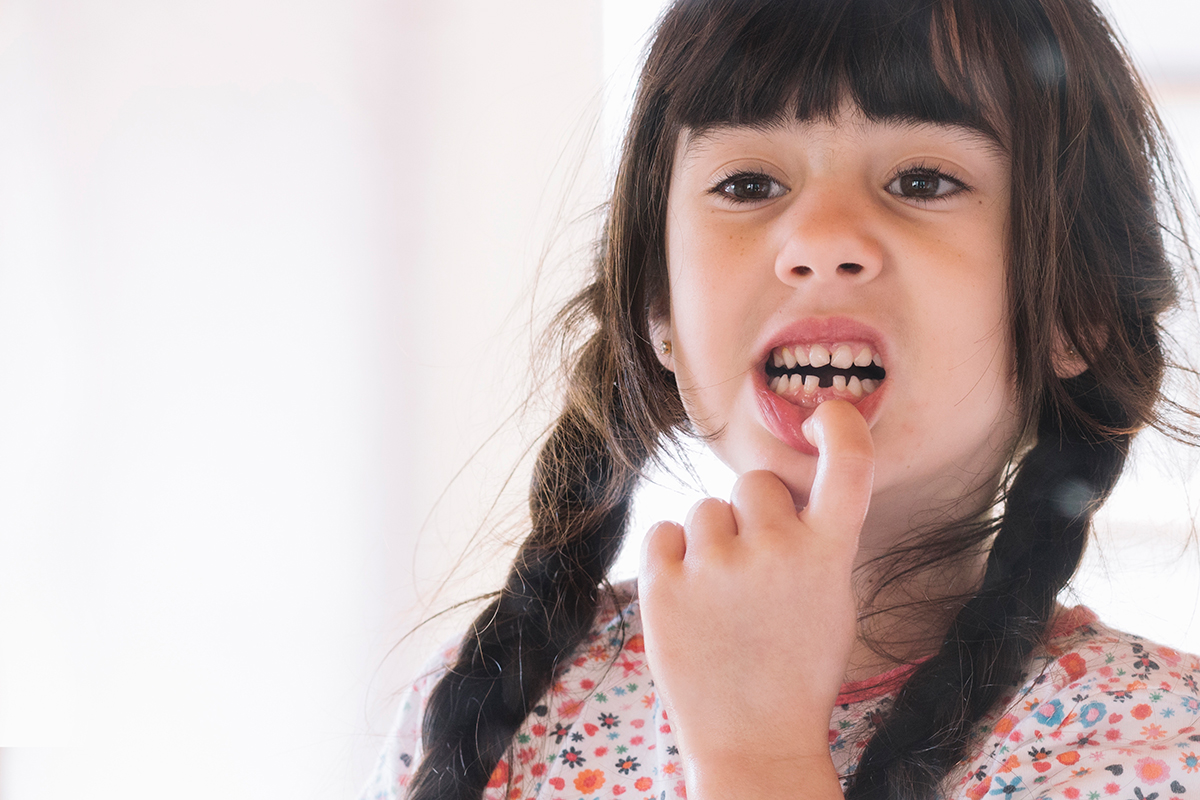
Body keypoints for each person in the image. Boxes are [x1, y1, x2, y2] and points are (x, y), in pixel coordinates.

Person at [360, 0, 1200, 798]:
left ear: (1074, 309)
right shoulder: (485, 713)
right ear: (660, 312)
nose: (822, 241)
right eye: (750, 185)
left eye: (922, 180)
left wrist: (757, 757)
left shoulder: (1153, 747)